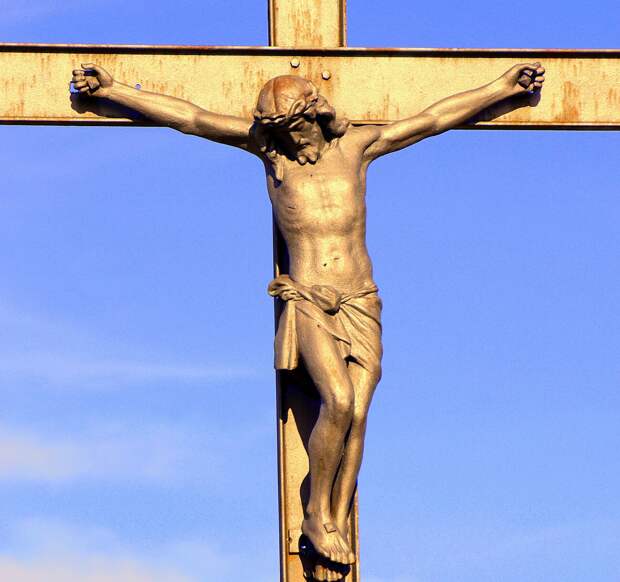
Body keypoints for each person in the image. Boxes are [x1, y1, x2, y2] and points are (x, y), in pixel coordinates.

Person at [71, 62, 545, 569]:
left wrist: (500, 89)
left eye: (295, 128)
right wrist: (115, 91)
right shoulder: (270, 153)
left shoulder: (356, 148)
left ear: (315, 116)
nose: (291, 140)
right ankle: (316, 513)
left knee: (357, 413)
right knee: (337, 400)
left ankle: (334, 515)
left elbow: (432, 119)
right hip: (307, 299)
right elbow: (190, 117)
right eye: (279, 132)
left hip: (359, 299)